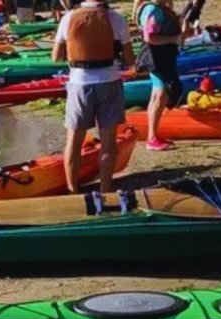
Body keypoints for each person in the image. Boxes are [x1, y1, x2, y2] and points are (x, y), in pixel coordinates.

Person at [53, 0, 134, 192]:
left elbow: (56, 56)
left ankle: (73, 190)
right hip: (109, 82)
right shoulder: (117, 19)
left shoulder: (68, 18)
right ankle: (105, 190)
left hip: (79, 84)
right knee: (108, 143)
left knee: (74, 141)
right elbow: (130, 59)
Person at [137, 0, 187, 150]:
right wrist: (174, 39)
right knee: (161, 94)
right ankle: (152, 138)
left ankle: (153, 135)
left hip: (161, 57)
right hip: (157, 59)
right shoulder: (154, 10)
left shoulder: (159, 9)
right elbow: (150, 37)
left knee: (157, 94)